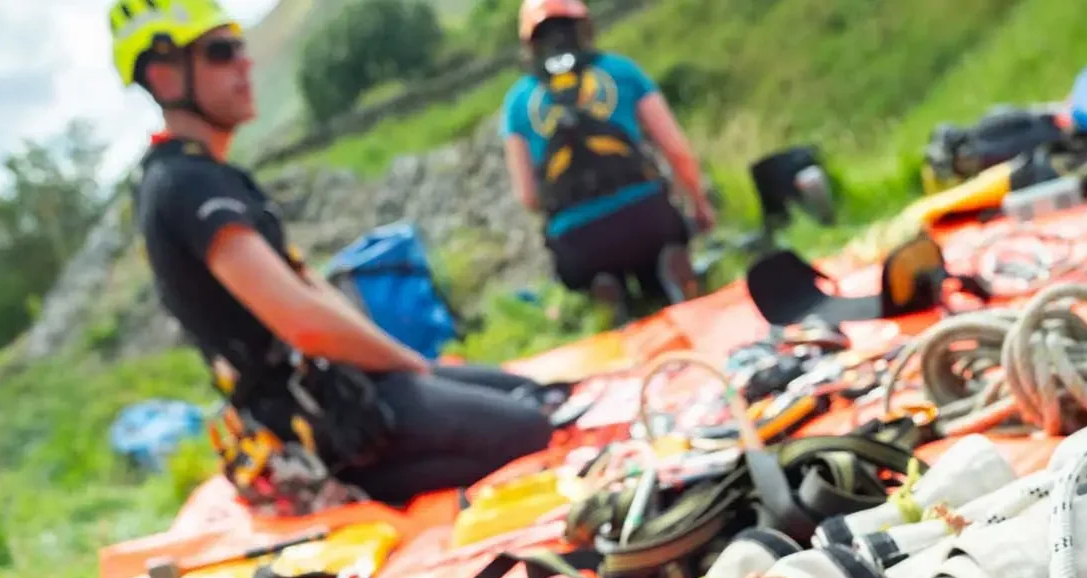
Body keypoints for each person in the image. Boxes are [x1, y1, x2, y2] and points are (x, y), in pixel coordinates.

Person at [109, 0, 558, 511]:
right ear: (166, 79)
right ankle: (358, 497)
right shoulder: (183, 185)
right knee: (528, 430)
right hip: (317, 420)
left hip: (336, 386)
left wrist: (401, 365)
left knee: (530, 393)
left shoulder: (207, 175)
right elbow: (301, 320)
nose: (244, 63)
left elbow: (308, 287)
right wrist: (405, 361)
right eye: (221, 52)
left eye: (241, 48)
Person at [500, 0, 714, 319]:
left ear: (530, 44)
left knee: (591, 264)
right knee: (657, 252)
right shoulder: (621, 70)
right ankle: (666, 275)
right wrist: (699, 206)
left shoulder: (517, 103)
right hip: (648, 220)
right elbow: (677, 150)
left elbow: (528, 197)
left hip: (578, 243)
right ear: (584, 28)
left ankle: (605, 286)